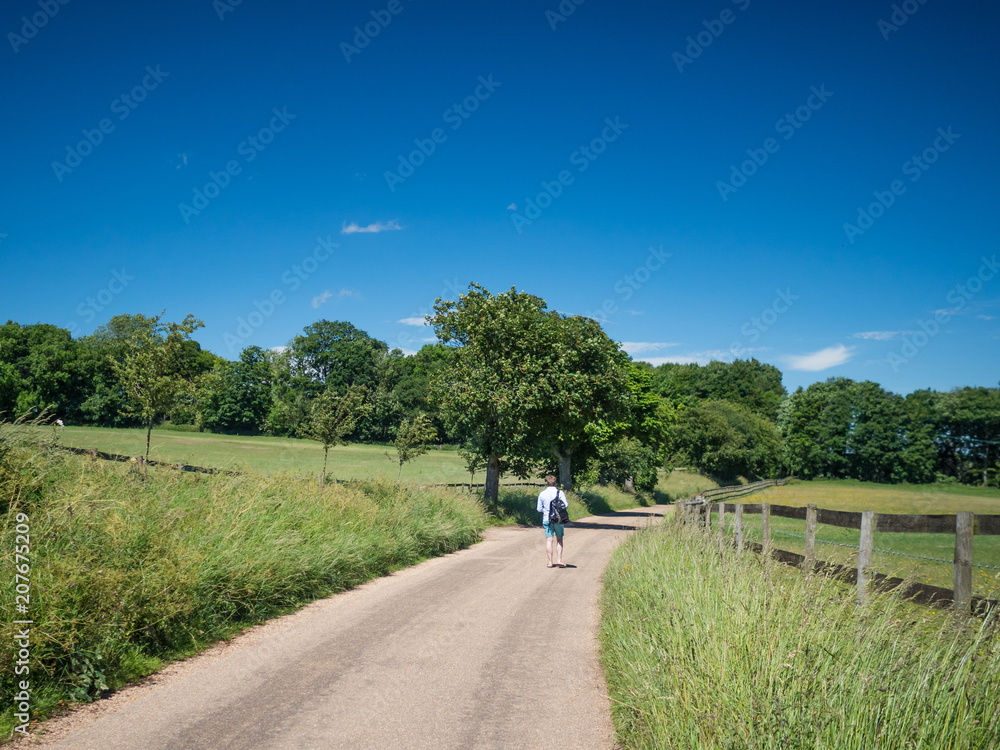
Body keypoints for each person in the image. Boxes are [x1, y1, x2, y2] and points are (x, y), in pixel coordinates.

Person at [537, 475, 566, 568]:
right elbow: (565, 505)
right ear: (555, 483)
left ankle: (550, 562)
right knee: (559, 540)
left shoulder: (542, 494)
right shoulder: (560, 493)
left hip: (547, 519)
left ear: (547, 482)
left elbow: (539, 509)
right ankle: (559, 560)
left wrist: (546, 511)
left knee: (549, 540)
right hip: (559, 519)